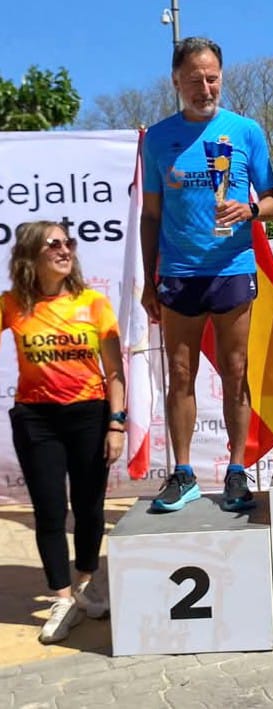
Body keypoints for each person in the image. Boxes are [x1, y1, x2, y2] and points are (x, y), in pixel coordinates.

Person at [141, 37, 273, 512]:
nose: (205, 88)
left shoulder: (245, 131)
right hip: (179, 271)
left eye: (212, 78)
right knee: (181, 373)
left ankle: (237, 470)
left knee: (235, 370)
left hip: (232, 267)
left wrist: (251, 210)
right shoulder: (158, 138)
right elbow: (150, 216)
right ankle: (183, 473)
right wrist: (148, 279)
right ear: (176, 82)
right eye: (194, 79)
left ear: (222, 77)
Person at [2, 221, 125, 644]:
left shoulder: (93, 303)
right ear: (30, 255)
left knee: (89, 508)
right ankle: (61, 598)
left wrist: (116, 423)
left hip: (90, 416)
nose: (64, 249)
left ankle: (86, 584)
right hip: (36, 419)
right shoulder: (13, 304)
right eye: (53, 243)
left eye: (67, 242)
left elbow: (115, 372)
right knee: (50, 511)